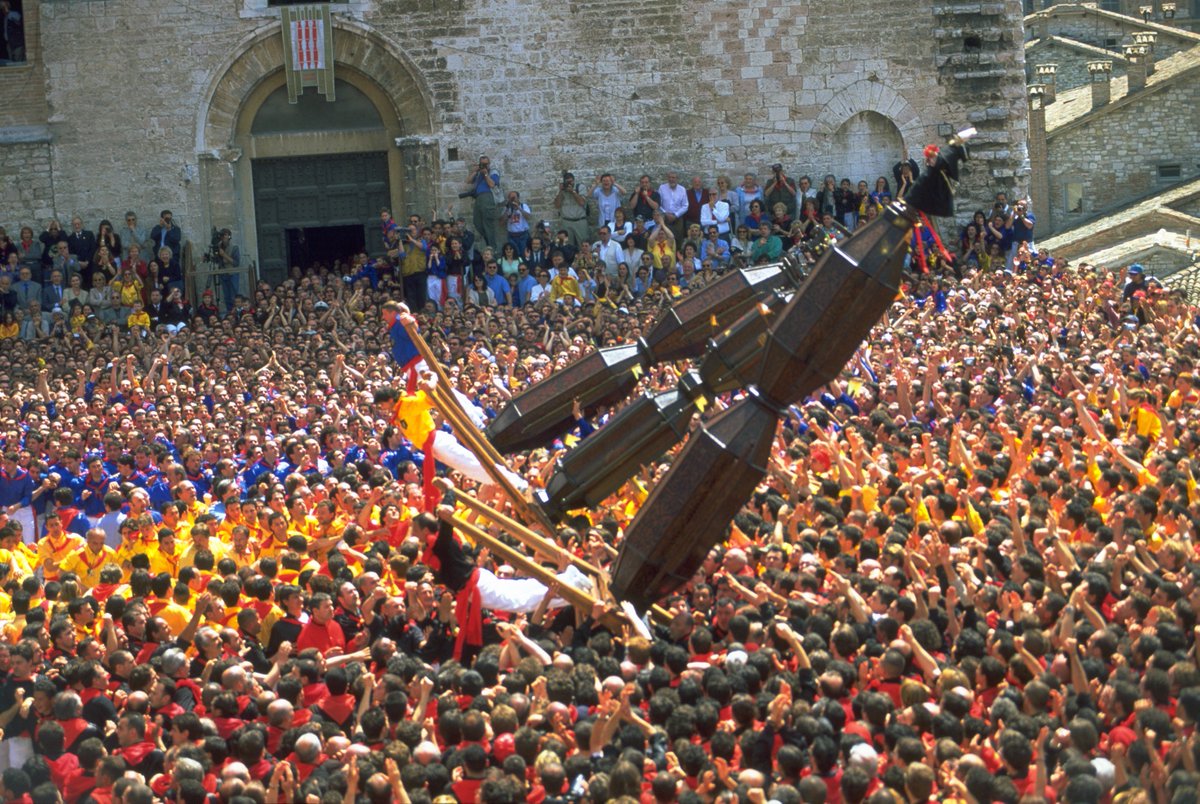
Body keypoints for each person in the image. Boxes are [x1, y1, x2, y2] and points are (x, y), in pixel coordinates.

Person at [464, 155, 501, 252]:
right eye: (482, 164)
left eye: (486, 164)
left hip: (488, 197)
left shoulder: (493, 172)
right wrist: (475, 171)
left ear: (489, 164)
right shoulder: (478, 173)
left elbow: (492, 184)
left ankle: (493, 248)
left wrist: (485, 174)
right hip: (478, 198)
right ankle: (489, 243)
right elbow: (468, 181)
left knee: (488, 224)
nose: (484, 166)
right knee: (477, 223)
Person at [214, 228, 241, 312]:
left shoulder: (234, 248)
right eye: (222, 235)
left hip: (232, 273)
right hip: (223, 273)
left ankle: (237, 311)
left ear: (229, 236)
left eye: (225, 235)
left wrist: (224, 255)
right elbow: (216, 259)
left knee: (234, 294)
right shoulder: (218, 246)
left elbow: (236, 263)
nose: (223, 237)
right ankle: (230, 312)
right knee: (226, 296)